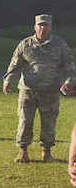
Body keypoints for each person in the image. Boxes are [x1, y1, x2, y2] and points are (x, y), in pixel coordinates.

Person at [4, 14, 76, 163]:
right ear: (35, 27)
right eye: (40, 25)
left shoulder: (60, 44)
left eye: (46, 25)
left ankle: (47, 151)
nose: (43, 28)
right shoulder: (25, 44)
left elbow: (68, 64)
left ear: (51, 27)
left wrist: (69, 81)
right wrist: (8, 80)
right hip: (28, 91)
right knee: (24, 121)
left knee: (49, 122)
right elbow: (15, 64)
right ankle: (22, 151)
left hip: (50, 91)